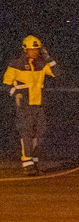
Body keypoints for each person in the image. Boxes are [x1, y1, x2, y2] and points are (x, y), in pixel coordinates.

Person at [3, 35, 57, 175]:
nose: (34, 52)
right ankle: (27, 162)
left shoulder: (42, 64)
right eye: (32, 49)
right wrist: (16, 93)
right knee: (26, 133)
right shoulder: (16, 64)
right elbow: (6, 84)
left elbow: (57, 74)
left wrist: (48, 57)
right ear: (25, 50)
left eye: (36, 49)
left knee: (40, 134)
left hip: (39, 103)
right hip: (25, 105)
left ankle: (34, 160)